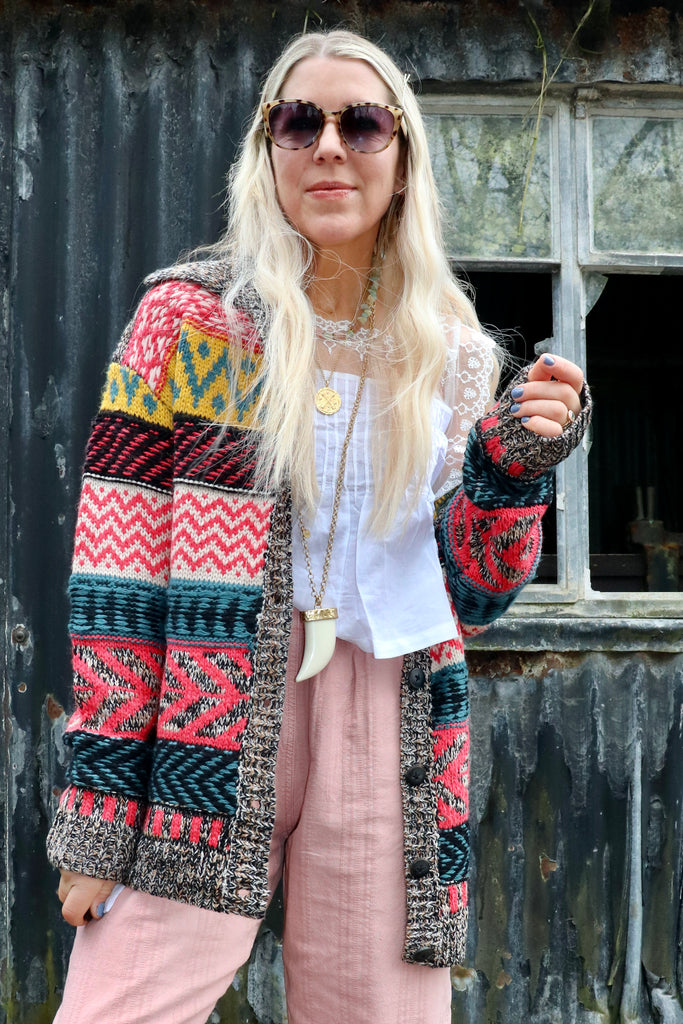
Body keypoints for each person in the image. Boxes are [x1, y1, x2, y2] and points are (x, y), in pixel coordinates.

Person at [47, 28, 591, 1024]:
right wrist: (97, 815)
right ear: (268, 150)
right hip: (205, 720)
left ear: (401, 156)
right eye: (298, 122)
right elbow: (113, 586)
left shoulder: (457, 354)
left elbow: (471, 597)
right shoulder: (189, 322)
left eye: (362, 123)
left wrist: (509, 469)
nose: (329, 146)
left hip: (394, 721)